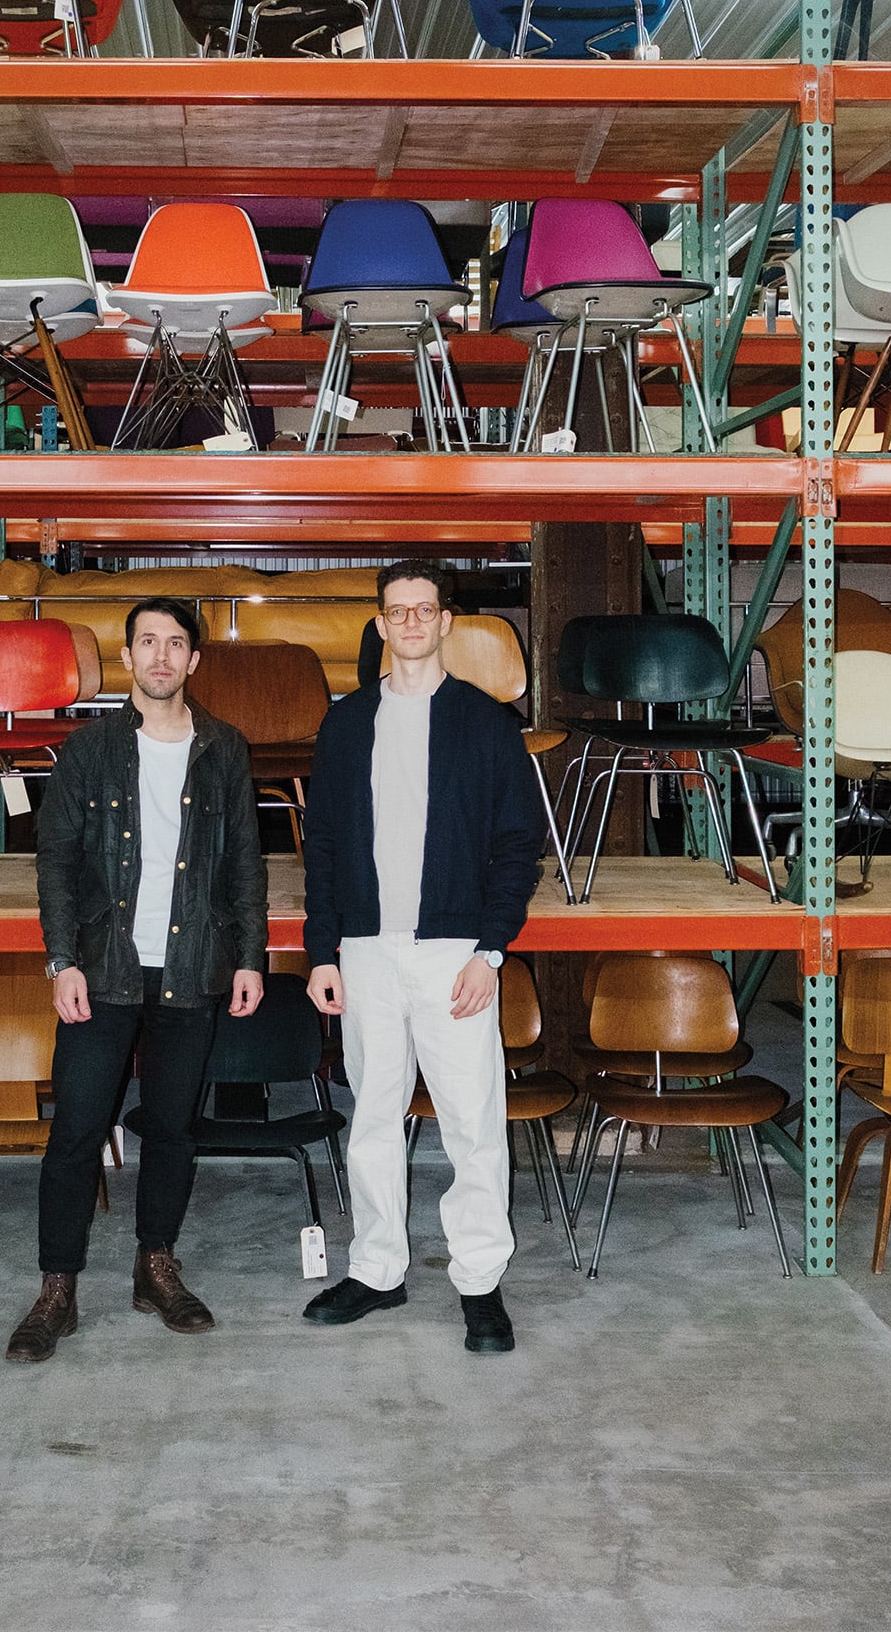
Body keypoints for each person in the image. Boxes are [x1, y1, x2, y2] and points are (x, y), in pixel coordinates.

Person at [7, 597, 267, 1363]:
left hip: (191, 965)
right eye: (147, 641)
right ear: (128, 657)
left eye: (175, 643)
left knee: (173, 1128)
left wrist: (250, 957)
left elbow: (245, 863)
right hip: (102, 968)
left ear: (193, 660)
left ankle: (156, 1266)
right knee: (76, 1130)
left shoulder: (225, 748)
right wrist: (61, 959)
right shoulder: (89, 749)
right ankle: (57, 1288)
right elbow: (55, 859)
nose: (160, 655)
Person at [301, 558, 544, 1354]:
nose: (410, 622)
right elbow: (322, 844)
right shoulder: (345, 725)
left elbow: (518, 847)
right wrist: (323, 951)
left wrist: (490, 950)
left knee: (473, 1123)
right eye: (397, 611)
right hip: (367, 950)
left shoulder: (485, 723)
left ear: (445, 621)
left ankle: (480, 1281)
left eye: (424, 609)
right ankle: (377, 1270)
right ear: (380, 624)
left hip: (454, 954)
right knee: (372, 1116)